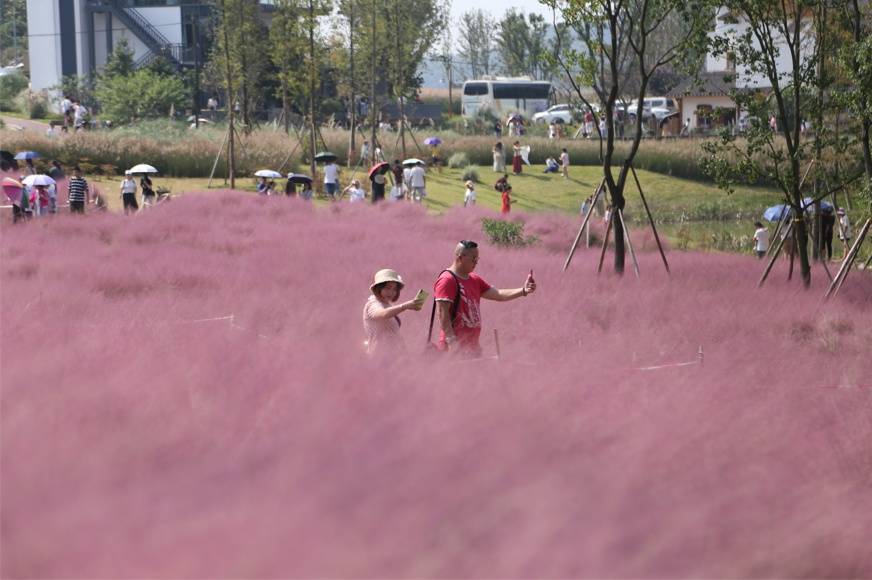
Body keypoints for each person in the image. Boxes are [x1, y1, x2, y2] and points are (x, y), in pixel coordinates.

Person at [433, 240, 536, 357]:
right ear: (460, 258)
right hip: (453, 349)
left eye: (477, 259)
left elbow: (499, 294)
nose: (476, 262)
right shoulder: (447, 280)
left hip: (473, 349)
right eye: (473, 259)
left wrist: (523, 290)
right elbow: (442, 313)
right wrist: (452, 341)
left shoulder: (474, 280)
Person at [363, 269, 425, 355]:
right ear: (378, 288)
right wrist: (405, 306)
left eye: (394, 289)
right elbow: (383, 314)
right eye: (388, 288)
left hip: (394, 355)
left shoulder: (387, 304)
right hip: (380, 356)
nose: (391, 292)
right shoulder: (372, 303)